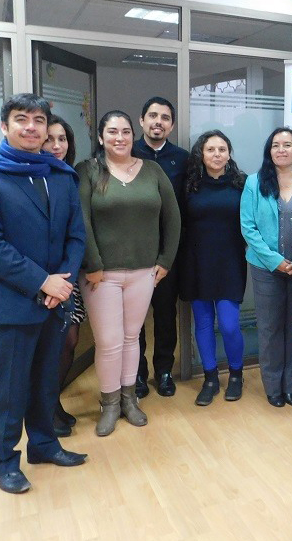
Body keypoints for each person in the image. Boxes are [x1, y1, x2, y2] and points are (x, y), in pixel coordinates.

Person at [0, 93, 87, 494]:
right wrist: (43, 282)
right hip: (10, 304)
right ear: (4, 127)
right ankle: (3, 461)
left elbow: (75, 236)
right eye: (21, 119)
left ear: (47, 128)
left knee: (46, 381)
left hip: (54, 301)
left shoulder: (60, 176)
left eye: (38, 120)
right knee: (8, 389)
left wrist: (62, 282)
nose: (31, 126)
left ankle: (44, 445)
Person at [76, 110, 181, 437]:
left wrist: (165, 260)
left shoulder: (152, 170)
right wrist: (92, 264)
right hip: (101, 275)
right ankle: (109, 404)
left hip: (143, 271)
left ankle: (129, 398)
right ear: (101, 137)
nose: (119, 137)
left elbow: (173, 218)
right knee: (108, 342)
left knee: (130, 337)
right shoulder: (88, 170)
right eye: (112, 132)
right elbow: (82, 221)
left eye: (124, 131)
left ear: (131, 134)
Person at [240, 127, 292, 408]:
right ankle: (273, 387)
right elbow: (248, 228)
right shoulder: (254, 183)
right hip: (265, 268)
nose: (282, 149)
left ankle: (290, 385)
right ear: (269, 151)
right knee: (270, 328)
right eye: (276, 145)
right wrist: (275, 261)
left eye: (288, 145)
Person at [179, 130, 248, 406]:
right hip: (196, 262)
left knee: (230, 325)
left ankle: (235, 374)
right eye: (211, 149)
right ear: (201, 154)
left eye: (222, 149)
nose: (217, 154)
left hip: (231, 261)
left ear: (229, 153)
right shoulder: (189, 185)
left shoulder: (242, 185)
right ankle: (210, 378)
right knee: (204, 323)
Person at [132, 97, 189, 398]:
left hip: (169, 252)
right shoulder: (127, 154)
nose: (158, 122)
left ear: (172, 125)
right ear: (141, 120)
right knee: (135, 318)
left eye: (165, 117)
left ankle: (164, 370)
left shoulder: (183, 158)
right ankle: (138, 374)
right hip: (133, 251)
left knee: (166, 315)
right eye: (152, 115)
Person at [42, 115, 85, 436]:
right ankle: (46, 408)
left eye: (62, 139)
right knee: (49, 345)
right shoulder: (29, 177)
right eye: (50, 139)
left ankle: (51, 402)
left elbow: (76, 232)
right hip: (39, 279)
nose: (57, 146)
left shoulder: (71, 178)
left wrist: (66, 278)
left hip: (69, 275)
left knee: (69, 340)